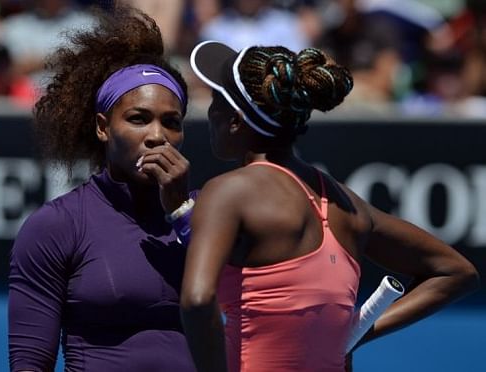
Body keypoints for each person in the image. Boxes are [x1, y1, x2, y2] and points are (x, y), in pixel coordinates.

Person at [180, 40, 480, 372]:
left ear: (235, 121)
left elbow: (196, 300)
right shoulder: (345, 204)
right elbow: (457, 271)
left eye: (215, 101)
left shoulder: (226, 192)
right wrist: (354, 333)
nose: (209, 112)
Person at [8, 6, 196, 371]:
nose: (157, 136)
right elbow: (30, 363)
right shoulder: (57, 226)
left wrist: (181, 213)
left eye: (171, 122)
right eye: (138, 119)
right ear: (102, 127)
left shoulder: (212, 214)